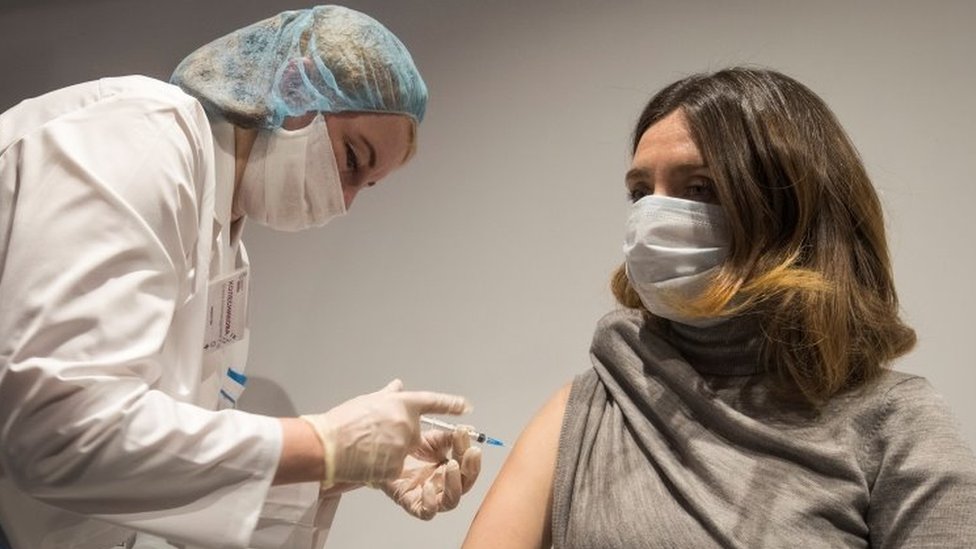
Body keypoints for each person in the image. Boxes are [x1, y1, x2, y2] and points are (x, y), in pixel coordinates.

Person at [0, 6, 480, 549]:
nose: (345, 203)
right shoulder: (142, 136)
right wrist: (321, 444)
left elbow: (162, 466)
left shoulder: (229, 257)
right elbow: (60, 432)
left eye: (366, 187)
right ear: (295, 90)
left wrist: (341, 468)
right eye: (352, 159)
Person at [462, 67, 976, 548]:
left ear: (789, 210)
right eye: (640, 192)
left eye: (700, 188)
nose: (654, 215)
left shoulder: (895, 423)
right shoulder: (599, 399)